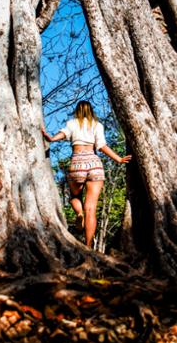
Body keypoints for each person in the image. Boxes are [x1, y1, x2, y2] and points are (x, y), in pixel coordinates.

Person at [41, 101, 131, 249]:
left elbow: (60, 135)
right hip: (94, 164)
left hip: (77, 163)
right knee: (91, 209)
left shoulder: (72, 123)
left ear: (77, 111)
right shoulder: (97, 125)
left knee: (74, 197)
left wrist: (50, 138)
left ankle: (78, 213)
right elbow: (101, 146)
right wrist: (118, 159)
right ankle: (88, 246)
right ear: (91, 111)